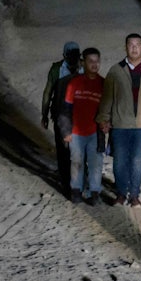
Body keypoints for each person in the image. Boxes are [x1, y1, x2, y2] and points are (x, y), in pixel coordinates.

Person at [96, 33, 141, 208]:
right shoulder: (115, 71)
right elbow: (107, 98)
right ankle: (121, 193)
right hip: (120, 124)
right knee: (119, 160)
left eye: (137, 44)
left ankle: (134, 195)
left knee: (136, 160)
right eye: (130, 45)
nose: (134, 48)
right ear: (125, 47)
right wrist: (104, 119)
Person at [58, 47, 105, 204]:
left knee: (95, 163)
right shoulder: (74, 84)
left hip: (95, 133)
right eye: (90, 61)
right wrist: (66, 130)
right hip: (76, 132)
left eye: (97, 61)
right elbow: (65, 110)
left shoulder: (104, 84)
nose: (94, 64)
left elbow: (107, 110)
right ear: (83, 62)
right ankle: (76, 191)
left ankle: (95, 193)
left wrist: (107, 125)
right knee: (76, 162)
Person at [41, 41, 82, 193]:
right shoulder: (78, 68)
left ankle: (69, 183)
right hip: (64, 116)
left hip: (71, 116)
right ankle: (72, 183)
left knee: (66, 152)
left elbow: (47, 93)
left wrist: (44, 114)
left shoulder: (57, 69)